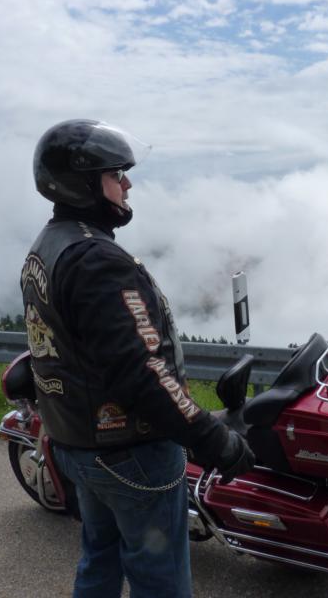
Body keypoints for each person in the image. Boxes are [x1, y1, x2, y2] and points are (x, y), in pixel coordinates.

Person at [23, 119, 255, 598]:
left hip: (78, 441)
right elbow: (143, 371)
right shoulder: (97, 260)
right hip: (130, 451)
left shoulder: (48, 245)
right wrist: (215, 440)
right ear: (82, 182)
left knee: (100, 556)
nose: (127, 184)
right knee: (160, 579)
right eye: (116, 174)